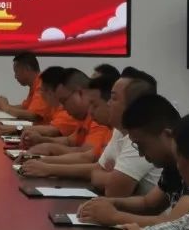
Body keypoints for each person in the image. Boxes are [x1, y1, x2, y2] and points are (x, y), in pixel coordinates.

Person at [18, 68, 159, 197]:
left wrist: (48, 165)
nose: (109, 103)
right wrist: (108, 176)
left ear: (133, 106)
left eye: (114, 98)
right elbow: (96, 169)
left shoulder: (141, 138)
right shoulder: (119, 131)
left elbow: (113, 191)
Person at [76, 94, 189, 228]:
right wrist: (110, 203)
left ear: (167, 135)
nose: (140, 153)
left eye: (142, 145)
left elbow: (175, 225)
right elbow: (148, 204)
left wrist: (114, 217)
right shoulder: (171, 165)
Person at [23, 71, 115, 157]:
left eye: (64, 101)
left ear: (80, 93)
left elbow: (86, 155)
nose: (63, 107)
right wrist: (41, 140)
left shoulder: (99, 119)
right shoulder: (85, 117)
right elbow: (69, 141)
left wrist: (49, 150)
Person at [0, 66, 78, 137]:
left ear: (53, 92)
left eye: (42, 90)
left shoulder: (69, 110)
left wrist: (16, 128)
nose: (40, 94)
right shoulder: (54, 107)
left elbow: (50, 130)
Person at [0, 52, 52, 122]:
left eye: (16, 72)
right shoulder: (35, 84)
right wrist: (3, 104)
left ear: (27, 69)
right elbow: (25, 108)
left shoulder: (43, 85)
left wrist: (5, 107)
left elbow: (33, 115)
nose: (15, 76)